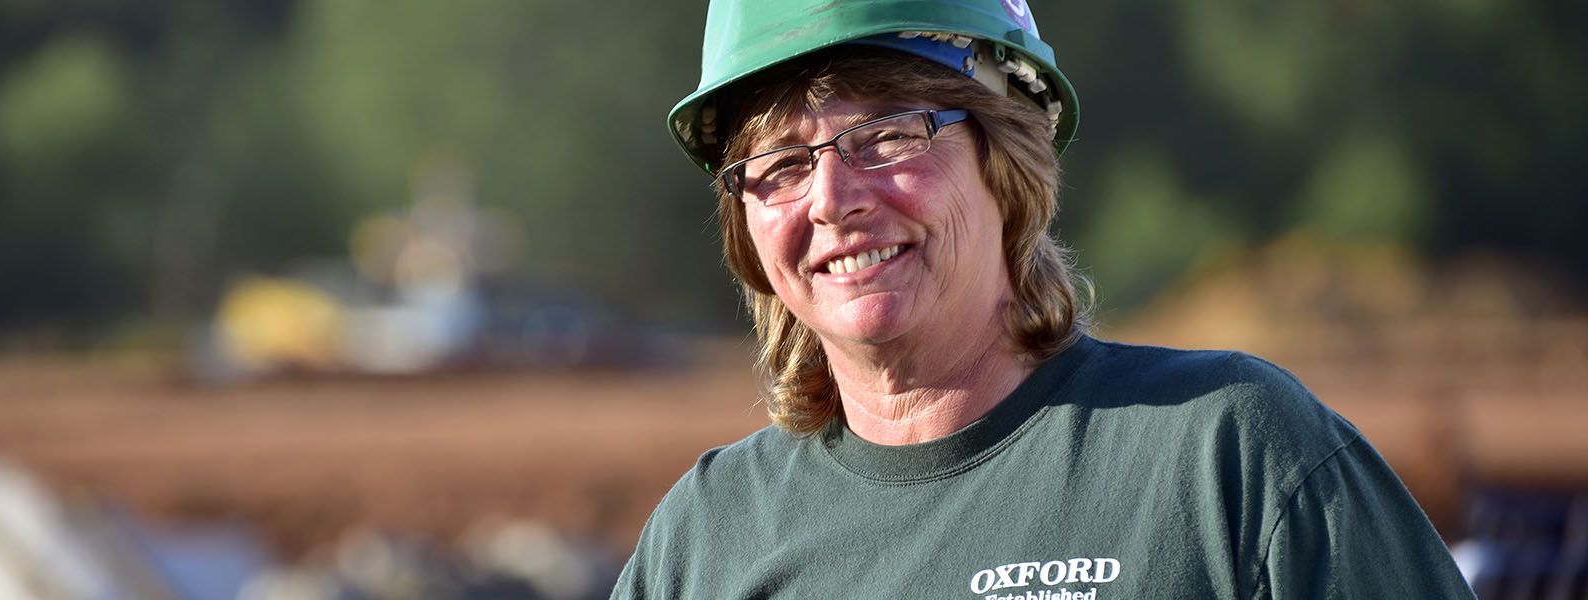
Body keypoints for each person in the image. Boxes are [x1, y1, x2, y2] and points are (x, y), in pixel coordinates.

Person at [613, 0, 1477, 597]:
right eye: (780, 166)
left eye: (885, 134)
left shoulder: (1229, 458)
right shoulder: (706, 540)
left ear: (1006, 161)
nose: (833, 200)